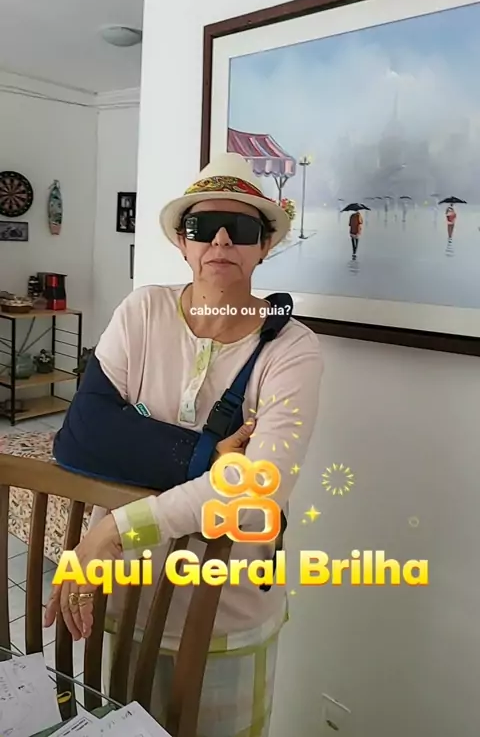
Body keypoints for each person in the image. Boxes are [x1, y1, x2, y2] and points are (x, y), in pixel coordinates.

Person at [44, 152, 323, 737]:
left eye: (240, 227)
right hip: (125, 602)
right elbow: (80, 437)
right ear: (182, 242)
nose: (220, 239)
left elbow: (256, 497)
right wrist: (206, 461)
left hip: (226, 612)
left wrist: (114, 529)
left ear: (265, 246)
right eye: (203, 226)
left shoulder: (293, 350)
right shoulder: (142, 311)